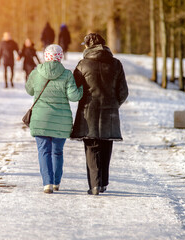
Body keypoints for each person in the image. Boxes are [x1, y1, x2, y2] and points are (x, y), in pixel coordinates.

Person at [70, 33, 128, 195]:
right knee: (106, 145)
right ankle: (102, 183)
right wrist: (114, 104)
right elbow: (123, 92)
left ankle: (94, 184)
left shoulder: (83, 65)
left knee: (92, 147)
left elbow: (74, 89)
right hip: (110, 112)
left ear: (88, 46)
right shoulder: (116, 64)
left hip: (89, 112)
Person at [25, 44, 83, 194]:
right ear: (60, 57)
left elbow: (29, 90)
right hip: (61, 121)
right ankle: (56, 182)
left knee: (43, 151)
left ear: (45, 56)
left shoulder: (36, 72)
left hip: (40, 119)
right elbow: (74, 96)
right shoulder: (66, 74)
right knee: (57, 152)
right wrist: (82, 87)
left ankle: (47, 183)